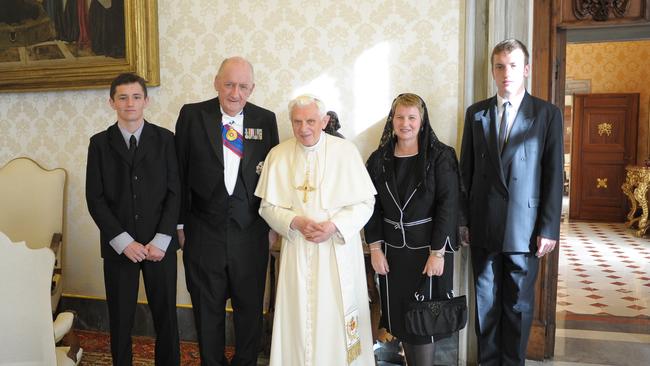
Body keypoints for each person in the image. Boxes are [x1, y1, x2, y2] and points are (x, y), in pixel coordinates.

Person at [459, 39, 563, 366]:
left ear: (526, 70)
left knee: (517, 307)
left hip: (525, 229)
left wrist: (548, 227)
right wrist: (463, 221)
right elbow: (467, 171)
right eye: (500, 66)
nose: (507, 73)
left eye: (513, 65)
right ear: (493, 70)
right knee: (486, 305)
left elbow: (553, 175)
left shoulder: (547, 114)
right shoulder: (476, 114)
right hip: (483, 225)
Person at [255, 95, 376, 366]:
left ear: (324, 121)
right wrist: (294, 221)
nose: (304, 128)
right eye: (297, 122)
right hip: (298, 247)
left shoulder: (345, 152)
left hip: (337, 251)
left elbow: (366, 202)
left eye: (310, 121)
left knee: (334, 315)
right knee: (299, 318)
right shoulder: (279, 154)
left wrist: (334, 226)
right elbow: (267, 207)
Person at [175, 56, 279, 366]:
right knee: (208, 309)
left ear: (252, 88)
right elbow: (178, 172)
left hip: (251, 231)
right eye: (229, 84)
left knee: (249, 310)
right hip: (203, 230)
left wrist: (272, 225)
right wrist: (179, 225)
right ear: (217, 83)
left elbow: (273, 177)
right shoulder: (192, 115)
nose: (235, 93)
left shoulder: (265, 119)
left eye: (243, 86)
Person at [86, 72, 180, 366]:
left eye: (136, 97)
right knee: (120, 318)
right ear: (111, 102)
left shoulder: (166, 140)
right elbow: (95, 198)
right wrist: (124, 242)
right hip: (119, 248)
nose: (130, 103)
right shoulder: (99, 143)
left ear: (146, 101)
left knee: (166, 317)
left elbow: (175, 192)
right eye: (123, 97)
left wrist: (162, 239)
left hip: (159, 247)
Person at [364, 93, 460, 366]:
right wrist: (375, 249)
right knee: (404, 324)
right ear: (391, 120)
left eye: (411, 117)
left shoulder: (441, 157)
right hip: (393, 257)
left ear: (421, 120)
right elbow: (371, 207)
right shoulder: (378, 160)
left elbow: (447, 206)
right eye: (400, 117)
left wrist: (438, 253)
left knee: (424, 328)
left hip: (429, 254)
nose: (405, 123)